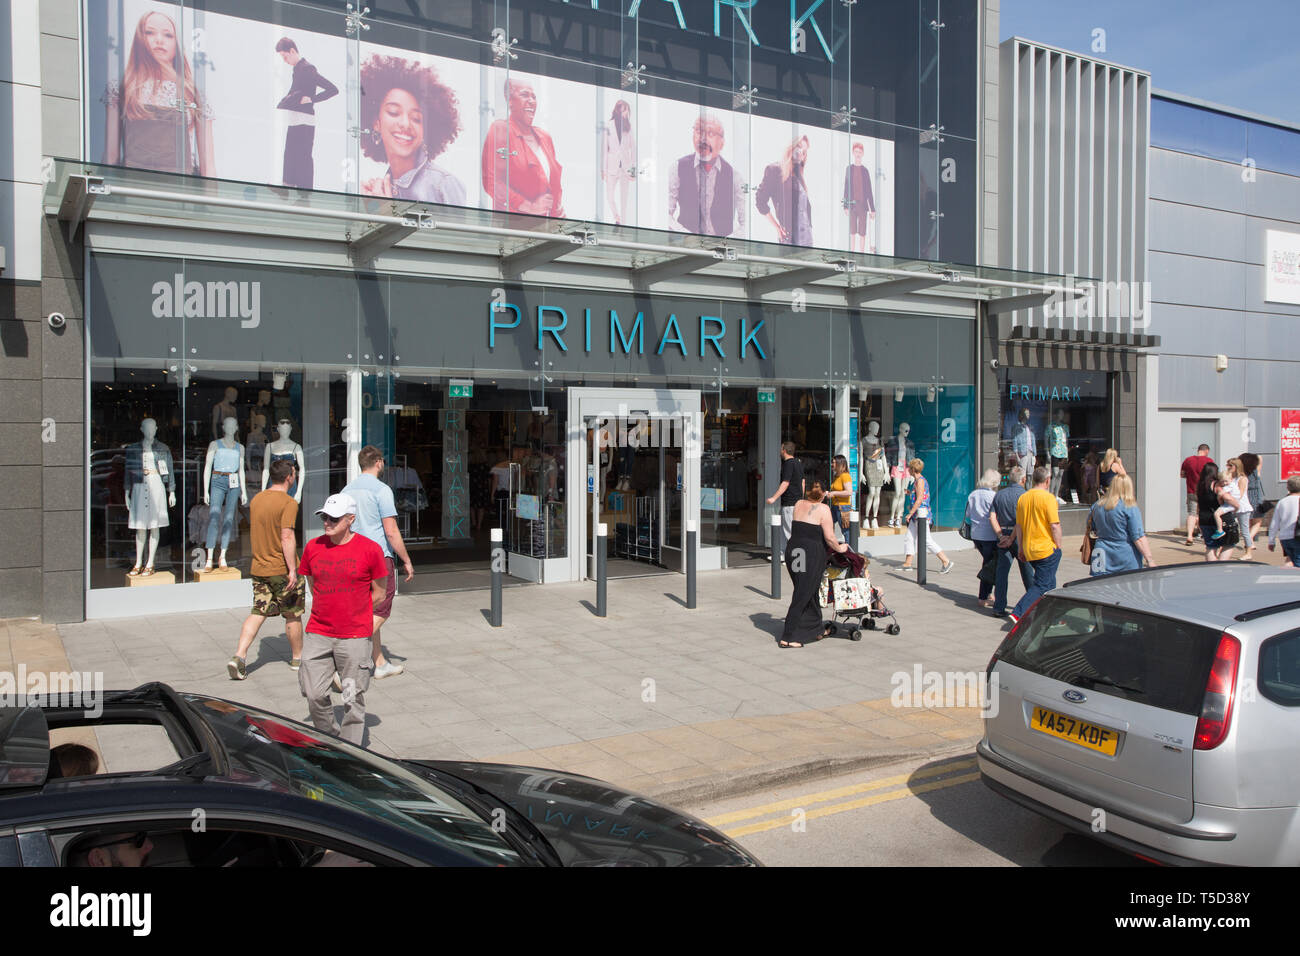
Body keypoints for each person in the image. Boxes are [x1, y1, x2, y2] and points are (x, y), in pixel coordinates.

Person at [297, 493, 389, 745]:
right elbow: (313, 585)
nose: (327, 522)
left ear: (350, 519)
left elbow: (379, 593)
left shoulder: (370, 550)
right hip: (318, 632)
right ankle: (329, 739)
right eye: (325, 516)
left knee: (351, 697)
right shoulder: (313, 547)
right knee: (314, 693)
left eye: (334, 518)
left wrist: (355, 612)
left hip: (354, 637)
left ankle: (350, 751)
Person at [102, 10, 213, 175]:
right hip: (135, 183)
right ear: (140, 39)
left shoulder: (192, 94)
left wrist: (209, 199)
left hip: (182, 186)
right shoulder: (122, 88)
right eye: (150, 32)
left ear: (177, 44)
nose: (159, 40)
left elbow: (208, 166)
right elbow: (111, 156)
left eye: (168, 35)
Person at [228, 458, 305, 680]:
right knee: (292, 614)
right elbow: (287, 535)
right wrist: (292, 569)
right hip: (280, 568)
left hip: (259, 567)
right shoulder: (288, 503)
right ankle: (298, 659)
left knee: (258, 611)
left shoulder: (257, 500)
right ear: (290, 476)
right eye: (294, 473)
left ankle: (239, 656)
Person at [342, 445, 415, 679]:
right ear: (379, 463)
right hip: (377, 556)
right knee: (382, 607)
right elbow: (391, 530)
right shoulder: (382, 490)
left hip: (352, 555)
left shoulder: (347, 490)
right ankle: (344, 658)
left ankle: (380, 663)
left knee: (368, 608)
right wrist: (406, 559)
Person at [361, 55, 465, 204]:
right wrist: (369, 209)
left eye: (416, 119)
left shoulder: (442, 184)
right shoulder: (380, 189)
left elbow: (457, 228)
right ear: (376, 123)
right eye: (393, 112)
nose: (405, 124)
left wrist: (386, 212)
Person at [780, 481, 849, 648]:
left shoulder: (798, 503)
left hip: (794, 551)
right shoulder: (823, 509)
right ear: (824, 494)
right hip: (810, 554)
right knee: (803, 593)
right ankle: (788, 636)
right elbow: (830, 538)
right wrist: (841, 548)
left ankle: (816, 629)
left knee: (808, 591)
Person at [481, 78, 563, 216]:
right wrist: (527, 206)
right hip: (515, 227)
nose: (531, 100)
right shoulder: (501, 129)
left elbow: (555, 185)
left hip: (549, 226)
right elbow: (491, 181)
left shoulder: (544, 137)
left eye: (534, 96)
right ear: (510, 100)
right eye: (525, 95)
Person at [666, 112, 746, 237]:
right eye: (698, 131)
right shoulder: (677, 167)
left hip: (721, 249)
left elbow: (746, 224)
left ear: (722, 142)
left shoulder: (734, 176)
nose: (703, 139)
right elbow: (665, 215)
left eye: (710, 133)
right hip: (685, 247)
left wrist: (726, 243)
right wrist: (687, 237)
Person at [275, 37, 338, 189]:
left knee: (302, 156)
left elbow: (333, 89)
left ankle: (304, 194)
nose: (284, 60)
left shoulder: (307, 68)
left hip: (304, 119)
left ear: (292, 51)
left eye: (285, 56)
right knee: (291, 154)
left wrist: (312, 99)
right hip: (297, 118)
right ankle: (290, 189)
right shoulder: (298, 69)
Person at [1009, 466, 1062, 623]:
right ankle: (1019, 612)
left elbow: (1018, 526)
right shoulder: (1048, 498)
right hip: (1045, 549)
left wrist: (1021, 548)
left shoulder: (1023, 498)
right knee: (1042, 584)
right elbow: (1054, 525)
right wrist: (1058, 545)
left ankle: (1050, 615)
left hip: (1030, 549)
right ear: (1047, 480)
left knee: (1050, 583)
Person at [1087, 474, 1155, 575]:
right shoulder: (1129, 507)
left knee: (1101, 588)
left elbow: (1092, 528)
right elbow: (1138, 537)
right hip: (1125, 556)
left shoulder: (1096, 506)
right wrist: (1150, 560)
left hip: (1101, 554)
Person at [989, 466, 1033, 617]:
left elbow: (992, 517)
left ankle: (999, 606)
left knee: (1002, 573)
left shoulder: (999, 495)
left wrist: (1001, 536)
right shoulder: (1025, 495)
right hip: (1019, 537)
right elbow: (1021, 521)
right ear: (1023, 479)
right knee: (1027, 572)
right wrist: (1012, 538)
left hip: (1004, 535)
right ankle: (1033, 604)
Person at [756, 135, 813, 246]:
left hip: (807, 238)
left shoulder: (798, 175)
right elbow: (760, 201)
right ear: (791, 146)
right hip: (790, 238)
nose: (801, 152)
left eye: (805, 152)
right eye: (799, 147)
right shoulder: (775, 170)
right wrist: (777, 227)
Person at [899, 458, 953, 573]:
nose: (908, 469)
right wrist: (910, 493)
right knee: (909, 537)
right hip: (917, 516)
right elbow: (919, 495)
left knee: (926, 540)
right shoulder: (917, 481)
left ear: (913, 469)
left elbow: (919, 500)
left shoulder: (920, 481)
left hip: (921, 515)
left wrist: (910, 513)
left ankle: (946, 561)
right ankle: (908, 563)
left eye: (909, 468)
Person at [965, 469, 1000, 606]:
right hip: (989, 535)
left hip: (976, 534)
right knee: (989, 565)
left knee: (988, 563)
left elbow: (968, 513)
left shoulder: (973, 494)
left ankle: (987, 594)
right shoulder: (993, 496)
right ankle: (983, 596)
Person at [766, 441, 804, 551]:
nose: (779, 451)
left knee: (789, 531)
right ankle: (782, 554)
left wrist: (774, 497)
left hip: (789, 502)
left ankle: (793, 556)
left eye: (780, 448)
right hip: (796, 502)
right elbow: (803, 482)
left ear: (784, 450)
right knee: (784, 529)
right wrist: (801, 498)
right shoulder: (798, 463)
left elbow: (785, 483)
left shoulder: (788, 464)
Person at [603, 99, 635, 225]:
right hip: (611, 167)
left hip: (625, 169)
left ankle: (623, 222)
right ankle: (617, 217)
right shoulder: (608, 125)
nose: (626, 113)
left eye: (627, 110)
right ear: (619, 110)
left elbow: (634, 149)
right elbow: (604, 149)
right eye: (625, 110)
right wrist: (604, 170)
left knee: (624, 198)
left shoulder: (628, 127)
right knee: (610, 197)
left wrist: (632, 171)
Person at [842, 141, 875, 253]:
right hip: (852, 204)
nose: (858, 154)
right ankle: (852, 252)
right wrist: (845, 205)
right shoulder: (849, 169)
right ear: (853, 152)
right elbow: (846, 188)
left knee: (862, 231)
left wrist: (872, 209)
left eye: (860, 152)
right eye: (856, 151)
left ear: (863, 153)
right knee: (852, 231)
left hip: (862, 205)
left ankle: (861, 253)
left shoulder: (865, 171)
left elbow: (869, 191)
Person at [1180, 443, 1215, 545]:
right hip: (1204, 491)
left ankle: (1190, 536)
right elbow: (1213, 476)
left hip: (1191, 491)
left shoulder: (1188, 460)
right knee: (1204, 513)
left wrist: (1191, 477)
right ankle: (1205, 535)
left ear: (1198, 450)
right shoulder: (1209, 461)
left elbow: (1182, 474)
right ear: (1207, 451)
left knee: (1192, 513)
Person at [1195, 462, 1229, 562]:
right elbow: (1223, 497)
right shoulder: (1216, 484)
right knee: (1227, 544)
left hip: (1203, 518)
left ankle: (1210, 566)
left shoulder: (1200, 485)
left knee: (1210, 546)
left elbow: (1198, 504)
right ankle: (1216, 567)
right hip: (1215, 518)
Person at [1267, 476, 1300, 567]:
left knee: (1292, 559)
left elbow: (1275, 523)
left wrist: (1271, 541)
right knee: (1297, 562)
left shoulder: (1282, 502)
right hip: (1297, 537)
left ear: (1287, 487)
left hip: (1285, 538)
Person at [1240, 452, 1268, 552]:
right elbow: (1260, 458)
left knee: (1247, 522)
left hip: (1245, 497)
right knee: (1257, 522)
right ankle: (1250, 539)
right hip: (1257, 498)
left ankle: (1249, 540)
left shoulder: (1241, 473)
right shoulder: (1256, 471)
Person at [828, 454, 853, 541]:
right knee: (827, 524)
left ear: (840, 464)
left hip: (843, 507)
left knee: (846, 531)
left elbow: (849, 492)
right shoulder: (836, 476)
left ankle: (850, 550)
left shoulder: (845, 476)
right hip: (835, 507)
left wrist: (834, 493)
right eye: (832, 462)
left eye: (834, 462)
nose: (832, 464)